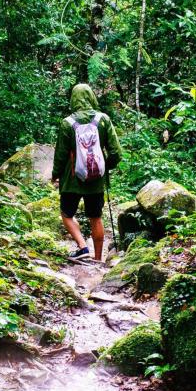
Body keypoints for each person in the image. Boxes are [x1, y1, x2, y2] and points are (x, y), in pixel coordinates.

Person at [51, 83, 122, 261]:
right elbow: (116, 152)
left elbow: (60, 154)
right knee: (95, 217)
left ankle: (83, 248)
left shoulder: (67, 123)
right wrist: (104, 168)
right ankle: (98, 260)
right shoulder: (103, 119)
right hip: (96, 179)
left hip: (72, 178)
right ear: (91, 97)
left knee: (67, 214)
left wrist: (55, 174)